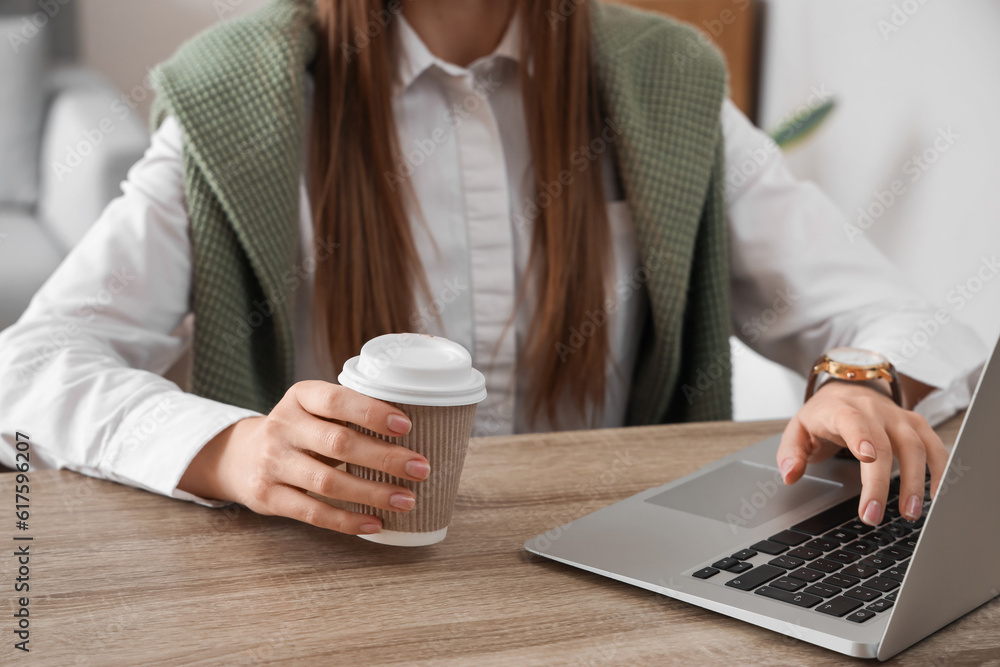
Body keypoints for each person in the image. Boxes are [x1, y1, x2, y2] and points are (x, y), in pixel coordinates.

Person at [0, 0, 984, 537]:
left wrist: (858, 383)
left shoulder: (662, 82)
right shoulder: (237, 98)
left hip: (612, 587)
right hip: (322, 600)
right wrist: (238, 452)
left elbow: (906, 320)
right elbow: (32, 365)